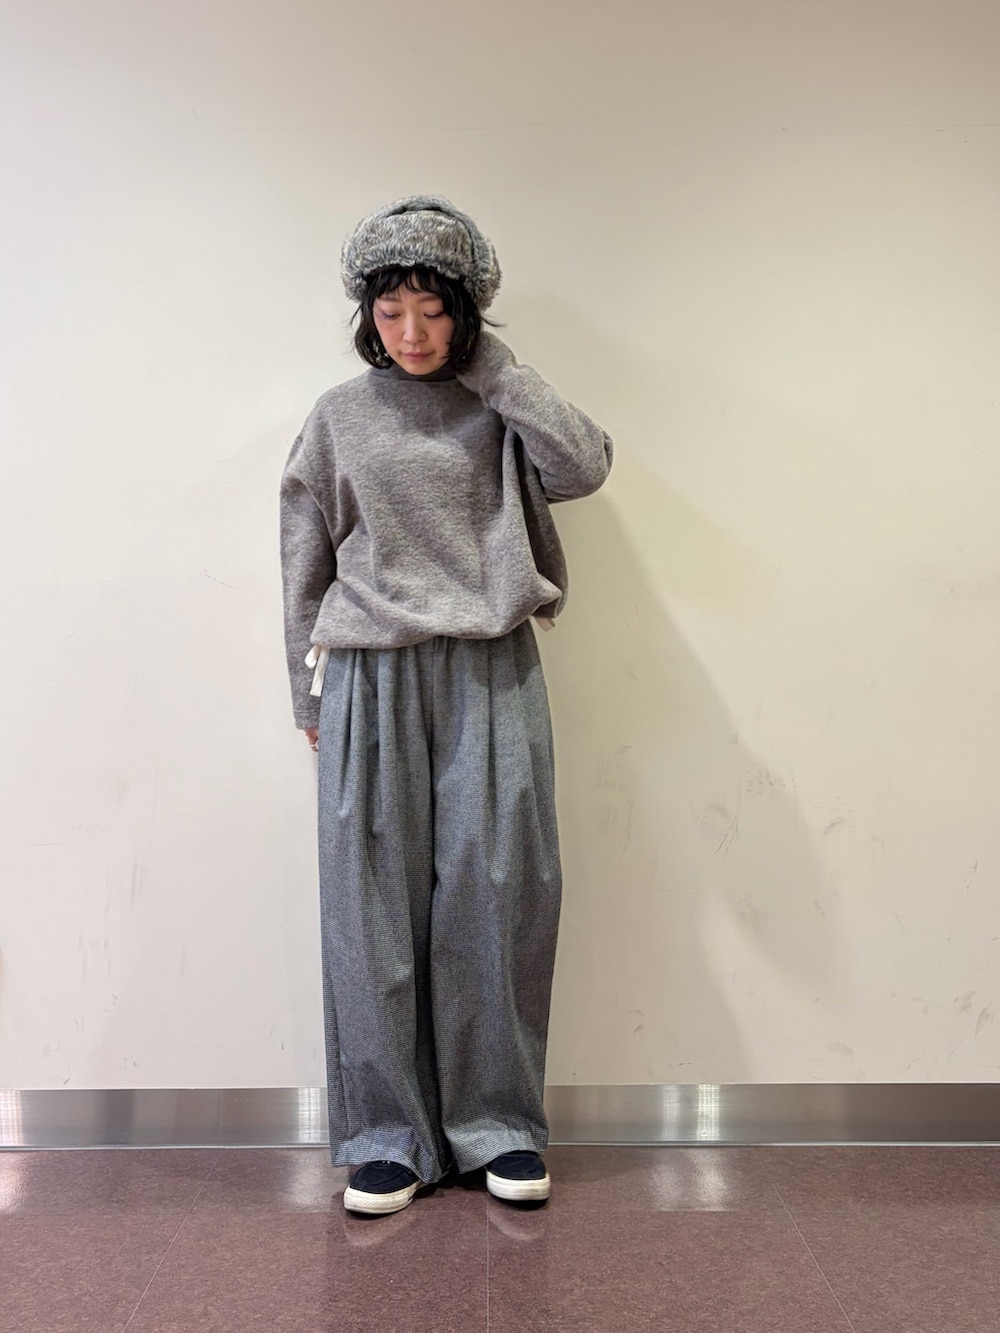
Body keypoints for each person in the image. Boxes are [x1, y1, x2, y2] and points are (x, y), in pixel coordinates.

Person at [279, 195, 612, 1216]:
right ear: (366, 316)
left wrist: (497, 372)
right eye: (391, 313)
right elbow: (303, 559)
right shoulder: (339, 417)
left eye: (433, 310)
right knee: (368, 905)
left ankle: (498, 1127)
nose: (412, 333)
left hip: (491, 666)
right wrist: (304, 690)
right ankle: (387, 1137)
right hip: (370, 674)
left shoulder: (498, 402)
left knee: (497, 894)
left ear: (466, 313)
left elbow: (585, 466)